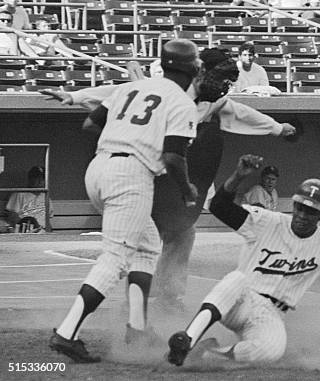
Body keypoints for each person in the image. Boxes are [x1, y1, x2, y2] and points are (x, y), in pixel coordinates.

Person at [42, 48, 296, 312]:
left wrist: (277, 127)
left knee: (182, 231)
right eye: (219, 77)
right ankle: (127, 311)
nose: (223, 86)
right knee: (130, 249)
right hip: (141, 173)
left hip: (157, 171)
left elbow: (240, 112)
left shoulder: (212, 100)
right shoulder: (168, 92)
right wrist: (74, 96)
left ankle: (163, 300)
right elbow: (116, 93)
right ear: (200, 72)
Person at [49, 39, 201, 363]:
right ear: (193, 70)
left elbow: (90, 124)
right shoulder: (183, 102)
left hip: (99, 167)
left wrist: (124, 135)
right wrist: (187, 189)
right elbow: (174, 158)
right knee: (116, 258)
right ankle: (67, 332)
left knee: (146, 245)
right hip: (131, 174)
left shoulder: (132, 88)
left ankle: (137, 327)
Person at [166, 154, 320, 366]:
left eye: (310, 211)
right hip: (240, 299)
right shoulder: (267, 221)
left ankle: (208, 353)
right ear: (294, 205)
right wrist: (238, 176)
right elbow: (219, 207)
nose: (301, 214)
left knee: (271, 351)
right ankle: (188, 339)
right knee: (236, 280)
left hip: (271, 314)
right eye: (299, 207)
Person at [5, 166, 53, 232]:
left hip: (43, 231)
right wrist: (27, 227)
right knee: (31, 219)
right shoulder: (19, 194)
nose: (39, 181)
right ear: (30, 179)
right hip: (26, 230)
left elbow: (48, 219)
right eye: (36, 178)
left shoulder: (46, 197)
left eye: (42, 178)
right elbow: (12, 216)